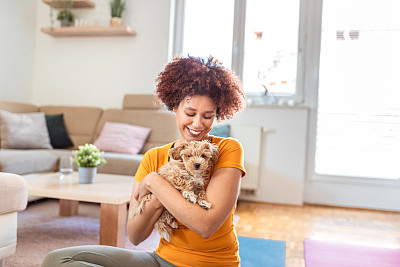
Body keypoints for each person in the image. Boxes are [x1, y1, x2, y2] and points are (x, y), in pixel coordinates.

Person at [42, 55, 246, 267]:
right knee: (57, 260)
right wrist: (159, 199)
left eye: (208, 116)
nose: (197, 123)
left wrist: (155, 183)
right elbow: (135, 235)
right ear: (174, 107)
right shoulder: (154, 156)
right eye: (190, 112)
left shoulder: (227, 149)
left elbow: (205, 225)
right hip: (161, 260)